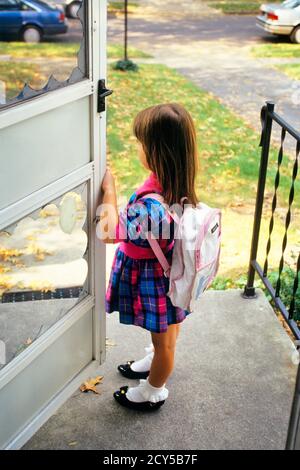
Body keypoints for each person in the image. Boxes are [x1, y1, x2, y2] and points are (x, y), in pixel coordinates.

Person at [99, 103, 199, 411]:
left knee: (164, 343)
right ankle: (155, 360)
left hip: (154, 280)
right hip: (168, 276)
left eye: (142, 144)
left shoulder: (151, 206)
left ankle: (153, 391)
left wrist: (110, 191)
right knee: (167, 334)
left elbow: (108, 232)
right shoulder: (173, 183)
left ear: (156, 152)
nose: (138, 149)